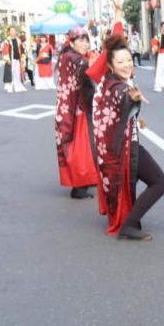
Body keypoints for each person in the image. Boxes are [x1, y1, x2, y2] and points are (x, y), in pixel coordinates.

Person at [88, 36, 164, 241]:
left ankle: (130, 220)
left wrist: (135, 117)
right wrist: (131, 99)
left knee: (133, 182)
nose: (126, 65)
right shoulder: (119, 87)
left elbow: (116, 110)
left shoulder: (107, 83)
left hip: (116, 147)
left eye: (128, 60)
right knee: (159, 182)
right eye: (120, 62)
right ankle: (130, 224)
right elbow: (122, 97)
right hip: (124, 147)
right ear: (110, 66)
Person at [55, 27, 99, 199]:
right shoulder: (72, 58)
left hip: (76, 108)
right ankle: (79, 186)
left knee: (84, 146)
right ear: (71, 43)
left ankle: (85, 180)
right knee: (80, 148)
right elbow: (86, 67)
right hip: (74, 111)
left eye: (86, 40)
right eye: (80, 40)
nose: (85, 43)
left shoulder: (73, 56)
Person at [1, 27, 26, 93]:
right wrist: (7, 59)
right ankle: (9, 87)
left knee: (17, 73)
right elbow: (5, 51)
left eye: (14, 30)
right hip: (10, 60)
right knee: (10, 73)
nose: (13, 32)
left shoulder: (18, 40)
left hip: (17, 59)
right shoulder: (7, 41)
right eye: (11, 31)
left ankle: (18, 86)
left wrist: (23, 58)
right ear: (9, 32)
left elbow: (22, 50)